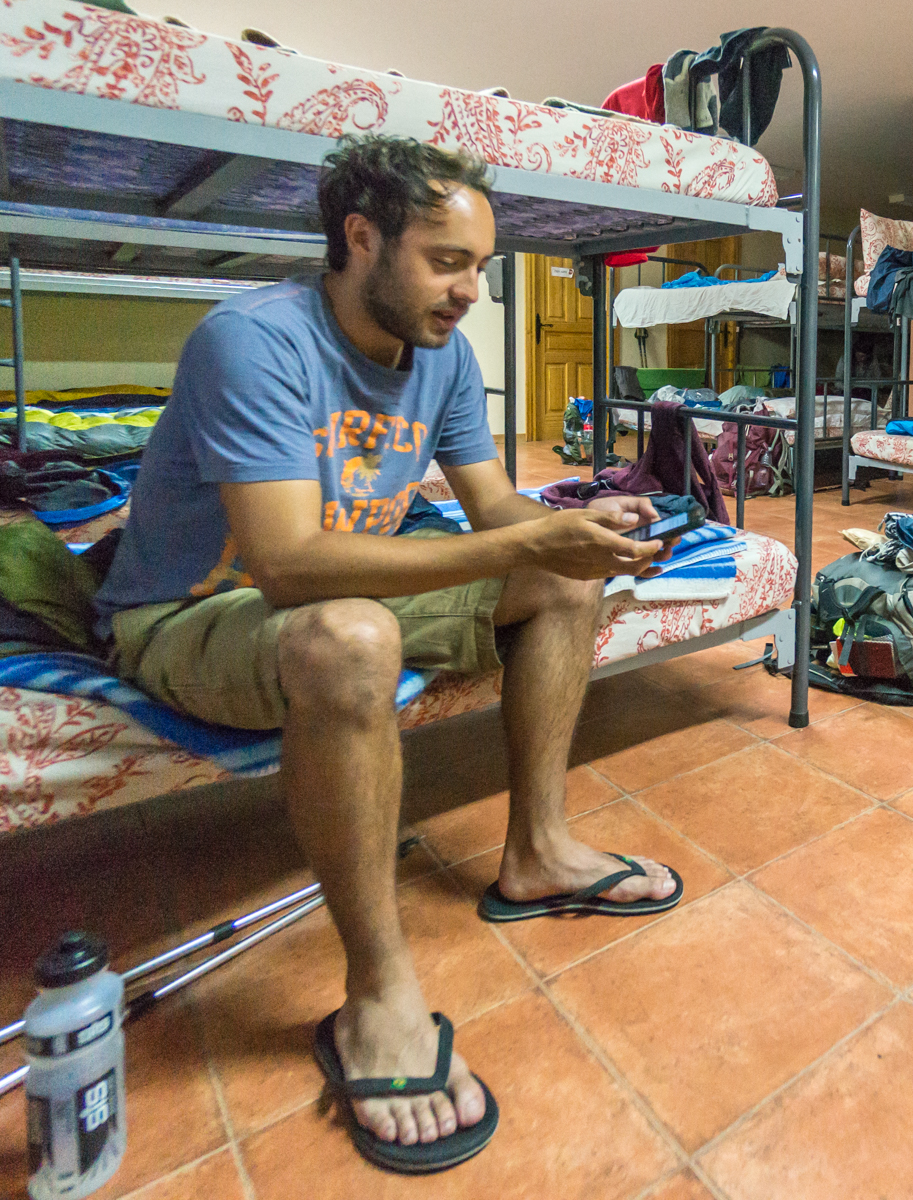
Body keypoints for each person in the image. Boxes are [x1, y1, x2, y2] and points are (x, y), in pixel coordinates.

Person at [94, 134, 682, 1174]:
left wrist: (576, 522)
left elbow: (497, 510)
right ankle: (378, 992)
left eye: (481, 269)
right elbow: (280, 566)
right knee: (352, 637)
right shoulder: (252, 340)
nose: (469, 293)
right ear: (359, 238)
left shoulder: (444, 354)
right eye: (446, 261)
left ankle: (537, 850)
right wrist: (514, 541)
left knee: (564, 577)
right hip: (191, 611)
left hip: (333, 586)